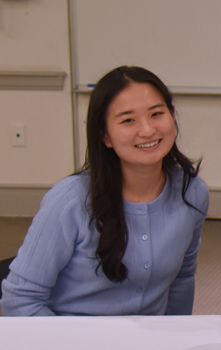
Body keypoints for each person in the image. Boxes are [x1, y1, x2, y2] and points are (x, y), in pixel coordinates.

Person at [1, 66, 208, 316]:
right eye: (128, 120)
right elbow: (20, 299)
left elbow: (182, 278)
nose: (147, 130)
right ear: (105, 136)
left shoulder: (191, 192)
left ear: (172, 115)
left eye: (156, 114)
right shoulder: (70, 200)